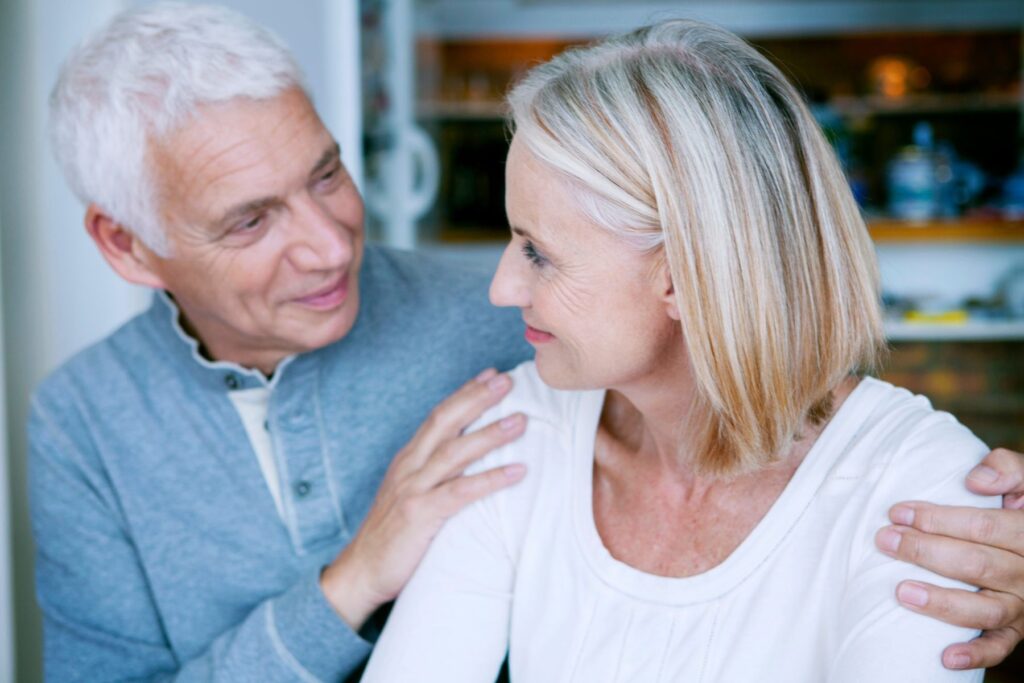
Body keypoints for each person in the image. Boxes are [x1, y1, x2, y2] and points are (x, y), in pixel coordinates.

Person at [29, 3, 1024, 681]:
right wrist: (352, 580)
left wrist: (995, 524)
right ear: (127, 245)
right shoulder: (79, 425)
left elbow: (804, 410)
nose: (331, 243)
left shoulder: (523, 346)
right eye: (250, 220)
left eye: (327, 173)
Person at [362, 20, 1024, 682]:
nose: (502, 289)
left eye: (539, 252)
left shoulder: (922, 491)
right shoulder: (518, 430)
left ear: (685, 276)